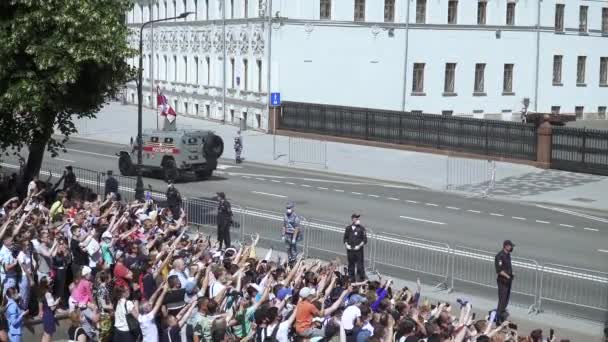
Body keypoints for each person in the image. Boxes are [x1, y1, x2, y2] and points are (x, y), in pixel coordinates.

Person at [343, 213, 368, 282]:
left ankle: (360, 278)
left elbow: (365, 240)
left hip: (358, 251)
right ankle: (351, 278)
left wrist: (359, 246)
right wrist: (347, 245)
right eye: (356, 218)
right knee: (351, 265)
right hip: (350, 250)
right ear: (353, 219)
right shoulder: (348, 228)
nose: (358, 220)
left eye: (358, 218)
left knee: (360, 265)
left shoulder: (362, 228)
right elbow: (345, 238)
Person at [495, 240, 515, 324]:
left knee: (506, 300)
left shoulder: (507, 255)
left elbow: (507, 267)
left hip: (508, 281)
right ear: (506, 246)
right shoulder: (500, 256)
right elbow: (499, 270)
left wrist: (511, 273)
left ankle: (502, 317)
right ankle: (498, 320)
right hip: (502, 281)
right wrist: (507, 276)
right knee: (502, 301)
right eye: (511, 246)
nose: (512, 248)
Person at [282, 202, 301, 266]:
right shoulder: (285, 215)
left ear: (292, 208)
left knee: (293, 249)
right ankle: (289, 260)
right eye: (287, 208)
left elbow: (296, 228)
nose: (288, 209)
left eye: (289, 208)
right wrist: (283, 235)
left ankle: (294, 261)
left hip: (293, 234)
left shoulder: (295, 217)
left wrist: (294, 238)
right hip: (287, 234)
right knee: (288, 248)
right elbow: (284, 225)